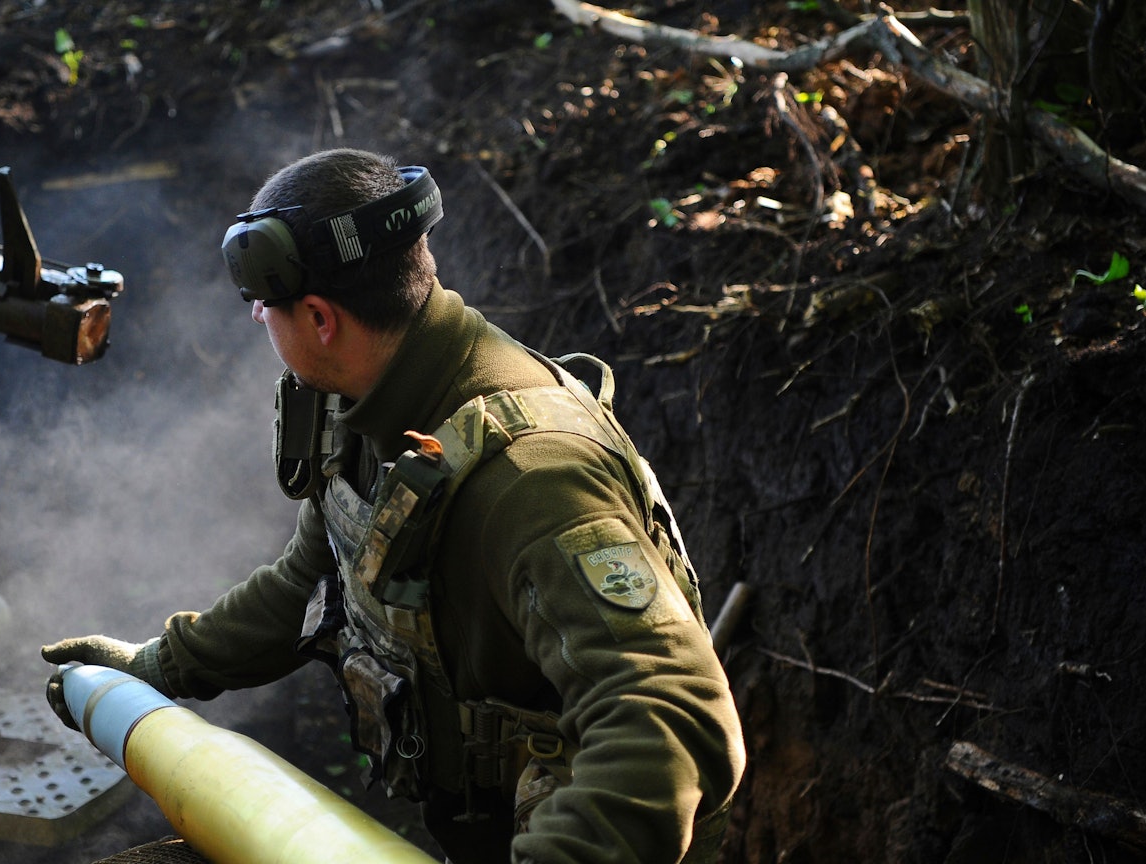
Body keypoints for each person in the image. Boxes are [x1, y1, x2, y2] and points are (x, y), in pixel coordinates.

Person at [42, 148, 745, 863]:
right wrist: (160, 666)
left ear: (318, 317)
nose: (258, 318)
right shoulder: (370, 405)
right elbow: (306, 582)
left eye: (267, 305)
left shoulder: (533, 476)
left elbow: (669, 713)